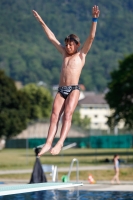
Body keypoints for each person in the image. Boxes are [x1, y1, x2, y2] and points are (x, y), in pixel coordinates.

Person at [32, 5, 100, 156]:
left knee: (67, 114)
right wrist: (41, 21)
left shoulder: (82, 54)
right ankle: (48, 143)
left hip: (74, 89)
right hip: (61, 90)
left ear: (77, 45)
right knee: (54, 115)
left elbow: (92, 37)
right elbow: (51, 37)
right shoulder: (63, 52)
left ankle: (60, 142)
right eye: (67, 44)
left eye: (71, 44)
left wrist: (94, 19)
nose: (68, 46)